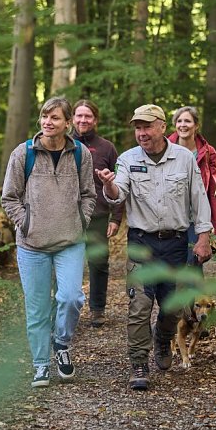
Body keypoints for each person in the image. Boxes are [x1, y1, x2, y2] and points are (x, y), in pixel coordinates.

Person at [96, 104, 213, 391]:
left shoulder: (184, 159)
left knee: (171, 308)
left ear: (162, 126)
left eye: (147, 126)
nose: (142, 132)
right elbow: (117, 194)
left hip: (175, 243)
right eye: (137, 127)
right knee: (139, 305)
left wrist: (203, 236)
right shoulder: (127, 159)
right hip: (141, 243)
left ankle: (162, 338)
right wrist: (109, 186)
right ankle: (139, 363)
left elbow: (198, 199)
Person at [1, 97, 97, 388]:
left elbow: (89, 194)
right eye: (44, 116)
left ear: (68, 123)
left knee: (71, 298)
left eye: (54, 118)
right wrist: (27, 223)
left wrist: (81, 221)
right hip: (32, 246)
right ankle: (41, 365)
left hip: (70, 241)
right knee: (37, 308)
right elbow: (9, 198)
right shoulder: (23, 153)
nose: (47, 122)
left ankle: (62, 342)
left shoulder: (80, 153)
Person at [71, 99, 124, 328]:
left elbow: (120, 183)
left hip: (98, 216)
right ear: (72, 118)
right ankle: (65, 310)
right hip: (67, 218)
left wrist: (116, 217)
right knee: (66, 263)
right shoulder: (62, 143)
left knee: (98, 263)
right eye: (79, 116)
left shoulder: (107, 148)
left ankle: (97, 310)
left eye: (88, 116)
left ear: (95, 120)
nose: (83, 120)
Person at [167, 106, 216, 268]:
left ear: (196, 125)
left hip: (194, 218)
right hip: (169, 217)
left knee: (192, 264)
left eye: (187, 121)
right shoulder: (165, 148)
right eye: (179, 121)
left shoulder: (208, 152)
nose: (183, 125)